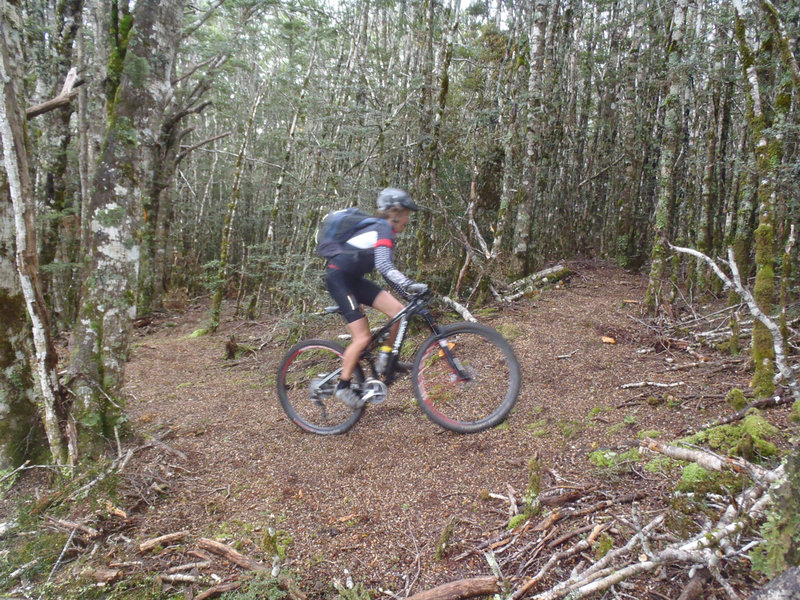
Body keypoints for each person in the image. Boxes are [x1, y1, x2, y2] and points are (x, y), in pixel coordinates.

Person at [325, 188, 428, 409]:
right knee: (361, 337)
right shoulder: (381, 227)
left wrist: (407, 292)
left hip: (353, 280)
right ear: (395, 212)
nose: (408, 220)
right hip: (339, 279)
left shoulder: (381, 230)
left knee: (399, 312)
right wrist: (409, 284)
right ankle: (342, 386)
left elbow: (385, 271)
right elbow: (383, 266)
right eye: (407, 215)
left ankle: (386, 360)